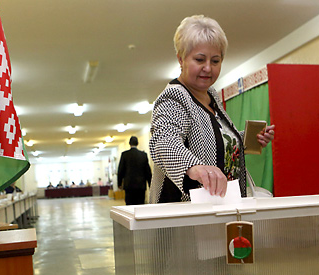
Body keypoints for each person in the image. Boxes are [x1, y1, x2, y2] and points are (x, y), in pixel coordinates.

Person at [149, 15, 274, 204]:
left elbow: (212, 141)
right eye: (200, 60)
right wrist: (194, 167)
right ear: (181, 59)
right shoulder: (174, 97)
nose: (208, 68)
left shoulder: (212, 96)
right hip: (184, 215)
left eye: (215, 61)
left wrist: (245, 139)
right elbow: (164, 142)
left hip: (218, 207)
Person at [117, 136, 152, 205]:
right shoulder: (143, 155)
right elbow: (147, 171)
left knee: (130, 204)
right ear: (137, 143)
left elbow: (121, 170)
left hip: (129, 185)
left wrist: (119, 183)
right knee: (140, 204)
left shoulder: (125, 155)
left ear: (129, 143)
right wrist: (150, 183)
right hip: (141, 185)